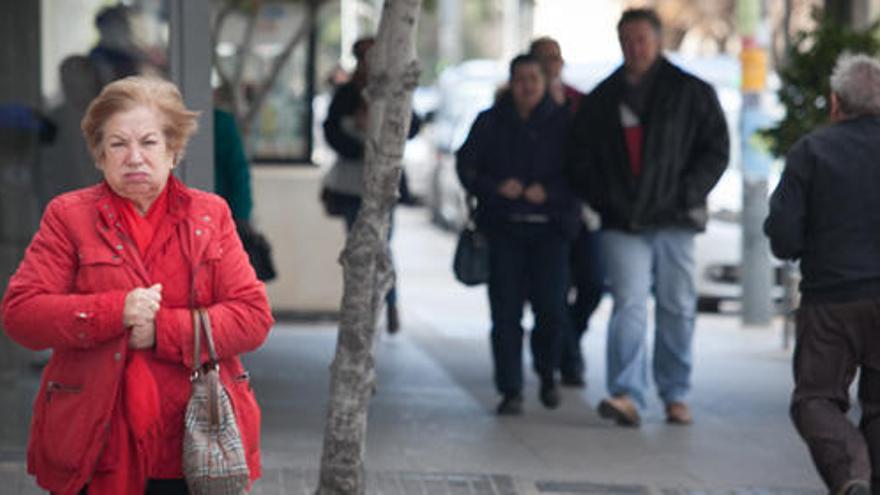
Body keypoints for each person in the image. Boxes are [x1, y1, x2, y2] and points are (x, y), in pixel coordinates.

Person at [0, 76, 274, 494]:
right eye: (117, 144)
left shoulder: (210, 215)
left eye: (148, 142)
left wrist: (161, 331)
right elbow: (21, 314)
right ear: (98, 154)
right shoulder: (68, 217)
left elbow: (253, 317)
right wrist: (115, 311)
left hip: (193, 442)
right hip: (96, 440)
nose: (134, 158)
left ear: (173, 150)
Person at [567, 8, 729, 427]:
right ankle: (626, 394)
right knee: (629, 306)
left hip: (676, 220)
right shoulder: (602, 99)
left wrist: (686, 194)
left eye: (641, 39)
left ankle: (676, 394)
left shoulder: (691, 92)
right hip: (622, 222)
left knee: (677, 306)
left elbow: (715, 150)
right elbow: (579, 160)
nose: (633, 48)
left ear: (657, 41)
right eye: (626, 40)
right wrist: (606, 201)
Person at [764, 53, 880, 495]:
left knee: (816, 398)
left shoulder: (812, 151)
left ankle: (852, 474)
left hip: (831, 300)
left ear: (836, 103)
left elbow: (784, 237)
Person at [457, 54, 578, 416]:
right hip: (504, 229)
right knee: (505, 313)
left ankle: (547, 372)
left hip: (550, 232)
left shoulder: (565, 124)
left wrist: (551, 193)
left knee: (551, 310)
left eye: (533, 79)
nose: (526, 87)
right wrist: (495, 187)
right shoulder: (489, 121)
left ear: (545, 82)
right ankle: (510, 389)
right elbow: (467, 167)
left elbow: (583, 174)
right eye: (520, 79)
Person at [322, 36, 421, 335]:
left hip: (384, 185)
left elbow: (413, 126)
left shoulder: (394, 90)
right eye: (365, 56)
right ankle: (359, 309)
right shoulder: (345, 94)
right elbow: (331, 132)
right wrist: (359, 144)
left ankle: (389, 302)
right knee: (358, 248)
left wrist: (384, 126)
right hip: (353, 185)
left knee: (382, 247)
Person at [529, 36, 604, 388]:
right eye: (543, 58)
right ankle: (570, 361)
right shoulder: (522, 101)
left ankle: (565, 338)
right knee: (554, 291)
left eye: (555, 58)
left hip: (582, 210)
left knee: (592, 283)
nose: (550, 64)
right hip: (544, 217)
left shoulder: (581, 102)